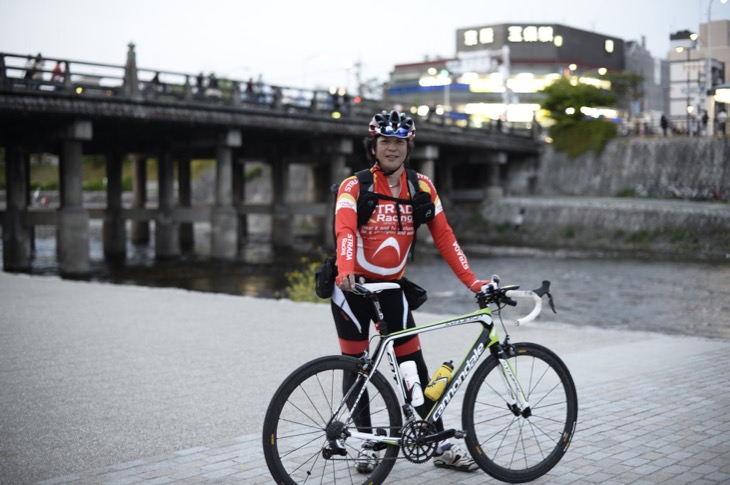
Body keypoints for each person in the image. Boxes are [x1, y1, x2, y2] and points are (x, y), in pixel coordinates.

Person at [330, 110, 491, 474]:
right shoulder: (354, 187)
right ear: (374, 146)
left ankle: (438, 443)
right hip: (352, 288)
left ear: (408, 146)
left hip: (392, 289)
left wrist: (473, 282)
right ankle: (368, 443)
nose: (392, 148)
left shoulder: (423, 188)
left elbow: (445, 237)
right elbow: (345, 232)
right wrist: (344, 270)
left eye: (398, 142)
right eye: (385, 141)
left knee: (413, 366)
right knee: (357, 368)